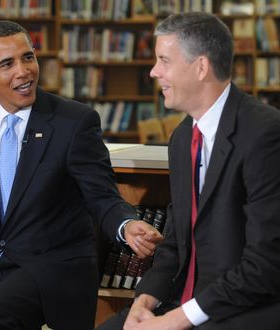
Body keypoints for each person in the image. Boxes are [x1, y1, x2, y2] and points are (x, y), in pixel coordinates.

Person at [0, 20, 163, 330]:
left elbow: (102, 196)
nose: (23, 71)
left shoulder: (74, 121)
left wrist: (126, 224)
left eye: (28, 57)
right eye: (7, 64)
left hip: (55, 265)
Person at [96, 12, 280, 330]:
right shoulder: (183, 137)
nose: (154, 72)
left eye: (164, 60)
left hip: (240, 308)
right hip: (181, 300)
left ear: (201, 67)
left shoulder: (265, 134)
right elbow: (177, 239)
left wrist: (178, 320)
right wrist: (146, 298)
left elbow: (266, 263)